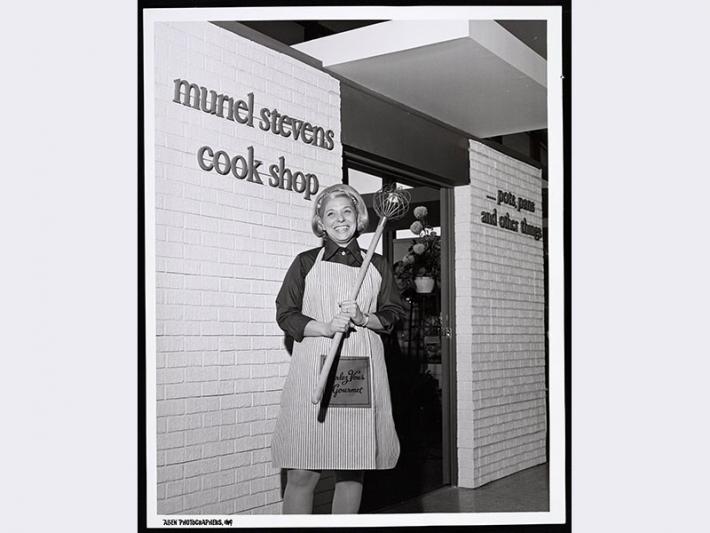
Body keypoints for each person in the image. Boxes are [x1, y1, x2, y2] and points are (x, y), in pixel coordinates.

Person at [271, 183, 405, 514]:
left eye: (347, 211)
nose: (340, 219)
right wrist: (326, 327)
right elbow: (286, 314)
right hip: (312, 365)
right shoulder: (304, 262)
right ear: (321, 221)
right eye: (331, 213)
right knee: (302, 470)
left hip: (358, 370)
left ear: (359, 216)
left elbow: (394, 314)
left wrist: (364, 316)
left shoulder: (376, 264)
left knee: (351, 469)